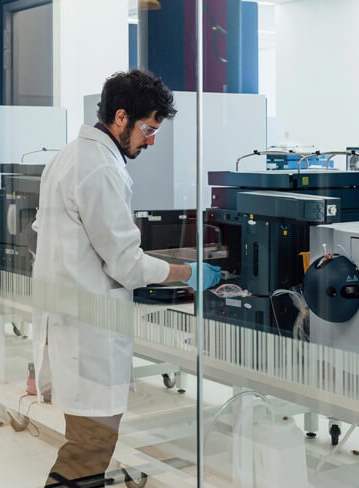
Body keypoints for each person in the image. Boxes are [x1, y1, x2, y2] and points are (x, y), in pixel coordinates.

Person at [31, 70, 222, 487]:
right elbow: (127, 265)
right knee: (88, 448)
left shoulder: (70, 156)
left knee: (89, 444)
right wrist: (189, 272)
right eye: (148, 129)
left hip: (72, 322)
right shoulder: (99, 168)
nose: (151, 140)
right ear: (121, 118)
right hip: (86, 332)